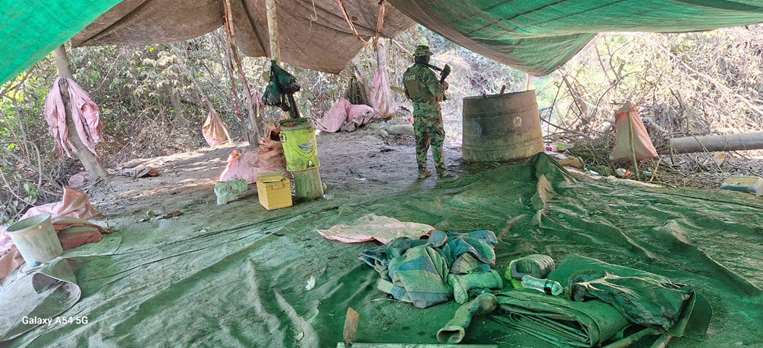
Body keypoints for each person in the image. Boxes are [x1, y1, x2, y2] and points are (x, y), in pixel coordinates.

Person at [402, 45, 449, 179]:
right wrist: (444, 85)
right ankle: (442, 172)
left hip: (417, 113)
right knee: (437, 141)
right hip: (431, 114)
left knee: (421, 142)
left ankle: (422, 171)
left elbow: (408, 94)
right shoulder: (426, 73)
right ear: (425, 57)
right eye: (428, 56)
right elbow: (438, 93)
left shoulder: (407, 74)